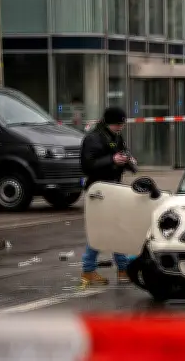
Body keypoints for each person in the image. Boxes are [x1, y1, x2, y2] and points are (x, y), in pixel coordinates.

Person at [80, 107, 135, 286]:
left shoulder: (115, 137)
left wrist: (128, 162)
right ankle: (118, 268)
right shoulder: (93, 138)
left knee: (110, 229)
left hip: (112, 189)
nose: (120, 128)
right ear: (108, 122)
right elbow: (87, 165)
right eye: (117, 124)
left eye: (122, 124)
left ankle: (116, 269)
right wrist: (112, 160)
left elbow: (121, 157)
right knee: (107, 230)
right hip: (99, 191)